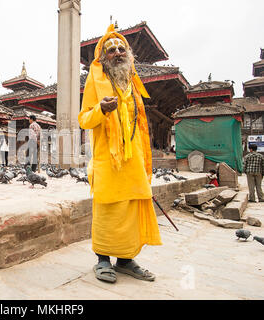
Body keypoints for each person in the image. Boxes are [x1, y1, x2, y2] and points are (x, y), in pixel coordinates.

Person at [78, 23, 162, 284]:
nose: (117, 52)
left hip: (134, 159)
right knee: (108, 209)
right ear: (103, 57)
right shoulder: (95, 80)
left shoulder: (133, 84)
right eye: (111, 49)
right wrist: (101, 110)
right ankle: (102, 259)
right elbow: (83, 119)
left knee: (132, 208)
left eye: (121, 48)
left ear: (129, 54)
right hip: (108, 159)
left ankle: (125, 260)